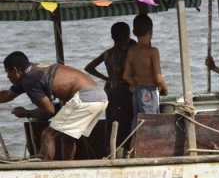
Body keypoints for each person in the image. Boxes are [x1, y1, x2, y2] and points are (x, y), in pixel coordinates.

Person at [0, 51, 108, 160]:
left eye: (7, 72)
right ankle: (66, 169)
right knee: (66, 136)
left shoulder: (30, 80)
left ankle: (46, 169)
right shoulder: (34, 71)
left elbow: (48, 110)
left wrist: (26, 113)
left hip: (86, 98)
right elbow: (8, 95)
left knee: (48, 135)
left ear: (15, 70)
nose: (8, 76)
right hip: (100, 96)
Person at [85, 22, 136, 152]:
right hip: (125, 92)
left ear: (112, 37)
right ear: (127, 36)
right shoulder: (130, 51)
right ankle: (125, 150)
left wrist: (107, 78)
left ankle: (111, 149)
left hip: (110, 91)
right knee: (126, 122)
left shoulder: (107, 53)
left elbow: (89, 67)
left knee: (112, 121)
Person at [123, 14, 168, 130]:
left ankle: (134, 146)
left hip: (137, 92)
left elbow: (126, 76)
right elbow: (158, 78)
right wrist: (165, 89)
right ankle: (150, 147)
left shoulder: (131, 51)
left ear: (133, 32)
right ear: (151, 31)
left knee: (137, 122)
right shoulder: (153, 51)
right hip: (149, 92)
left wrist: (134, 84)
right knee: (151, 122)